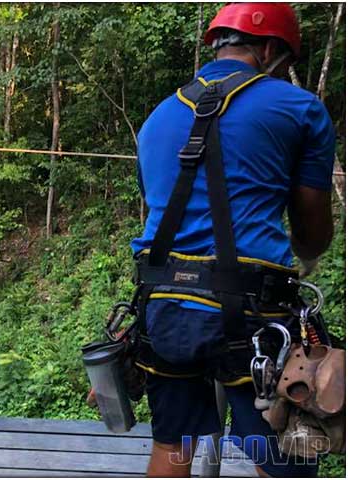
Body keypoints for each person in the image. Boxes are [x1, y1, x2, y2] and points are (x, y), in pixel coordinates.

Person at [130, 3, 334, 477]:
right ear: (268, 50)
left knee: (174, 445)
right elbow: (311, 230)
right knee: (280, 455)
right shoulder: (299, 108)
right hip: (252, 319)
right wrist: (308, 257)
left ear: (217, 44)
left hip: (166, 308)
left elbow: (164, 208)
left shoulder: (158, 117)